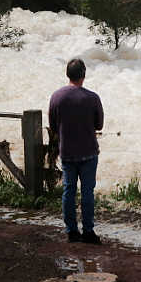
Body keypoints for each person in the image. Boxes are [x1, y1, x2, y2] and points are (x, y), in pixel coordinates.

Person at [48, 58, 104, 244]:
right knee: (87, 191)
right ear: (84, 74)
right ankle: (88, 231)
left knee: (68, 190)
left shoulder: (57, 97)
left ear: (67, 74)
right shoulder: (92, 98)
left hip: (67, 152)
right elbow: (99, 124)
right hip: (88, 151)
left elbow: (53, 125)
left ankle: (72, 231)